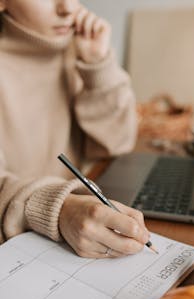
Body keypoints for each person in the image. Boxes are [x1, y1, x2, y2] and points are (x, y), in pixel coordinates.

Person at [0, 0, 150, 258]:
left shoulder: (77, 47)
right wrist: (58, 209)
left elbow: (118, 142)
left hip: (74, 235)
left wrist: (98, 66)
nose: (68, 8)